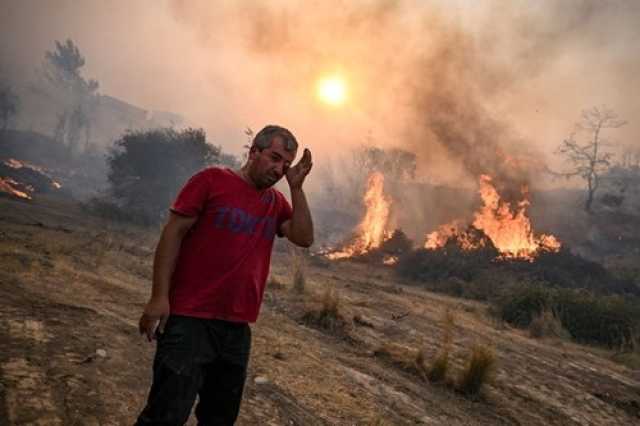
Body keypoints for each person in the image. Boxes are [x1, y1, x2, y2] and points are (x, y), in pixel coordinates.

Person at [135, 125, 313, 425]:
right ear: (253, 151)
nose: (279, 168)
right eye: (274, 157)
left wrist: (296, 189)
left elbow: (304, 238)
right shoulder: (211, 180)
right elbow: (173, 234)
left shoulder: (275, 202)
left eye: (285, 163)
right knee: (166, 414)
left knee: (219, 418)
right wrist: (158, 297)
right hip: (189, 320)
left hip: (236, 328)